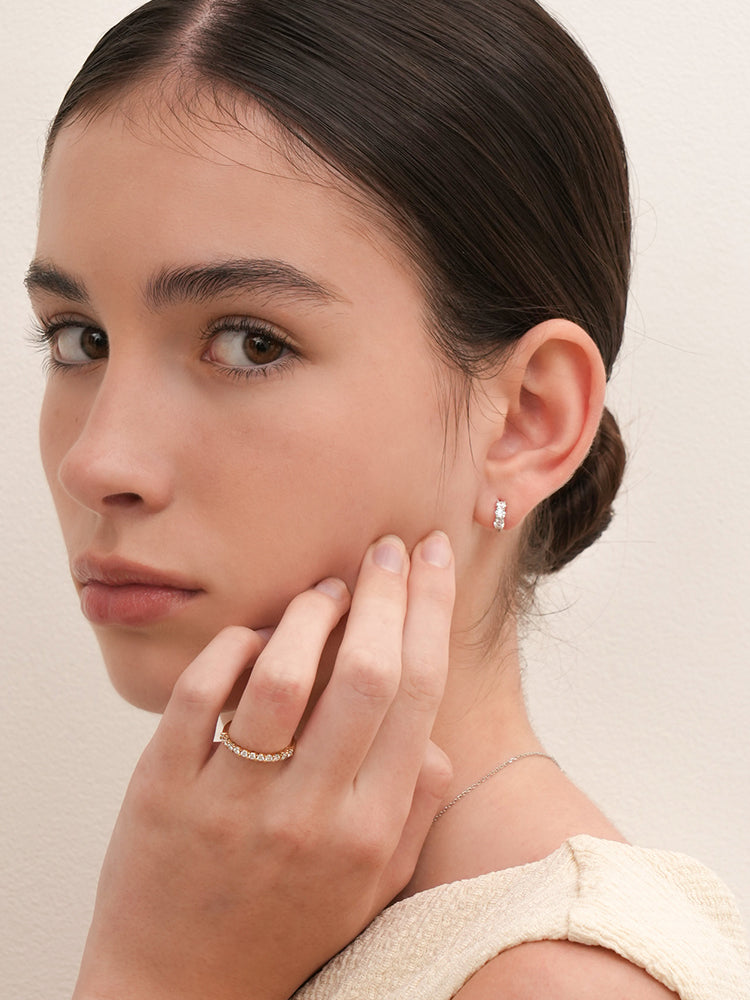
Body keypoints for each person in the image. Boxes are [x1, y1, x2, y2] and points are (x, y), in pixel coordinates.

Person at [26, 0, 748, 997]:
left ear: (527, 419)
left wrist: (151, 977)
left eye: (249, 342)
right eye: (80, 339)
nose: (97, 459)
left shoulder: (561, 980)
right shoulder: (230, 906)